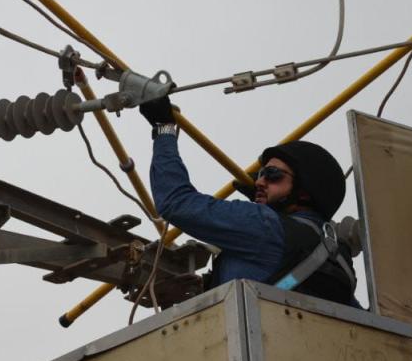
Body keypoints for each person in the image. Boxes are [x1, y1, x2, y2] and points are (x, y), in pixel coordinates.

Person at [140, 96, 359, 307]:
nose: (260, 182)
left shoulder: (264, 225)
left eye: (272, 175)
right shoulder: (341, 262)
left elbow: (175, 201)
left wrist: (164, 129)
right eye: (260, 175)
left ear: (304, 192)